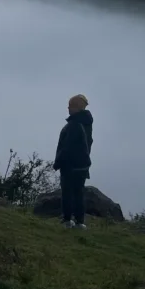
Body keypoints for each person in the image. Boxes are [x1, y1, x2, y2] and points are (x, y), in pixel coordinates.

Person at [53, 93, 93, 230]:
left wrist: (58, 162)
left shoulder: (74, 124)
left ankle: (67, 220)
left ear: (77, 107)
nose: (68, 108)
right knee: (79, 193)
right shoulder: (87, 124)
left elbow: (67, 147)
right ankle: (80, 222)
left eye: (71, 106)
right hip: (83, 165)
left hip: (69, 165)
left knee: (67, 193)